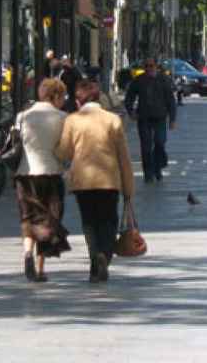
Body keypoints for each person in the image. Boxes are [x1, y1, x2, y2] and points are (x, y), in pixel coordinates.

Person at [56, 80, 135, 283]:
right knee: (109, 221)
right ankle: (104, 257)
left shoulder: (73, 120)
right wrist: (128, 187)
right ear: (98, 97)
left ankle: (94, 261)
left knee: (89, 222)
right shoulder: (113, 120)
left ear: (78, 100)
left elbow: (64, 152)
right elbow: (124, 158)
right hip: (109, 180)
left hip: (83, 181)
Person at [13, 78, 71, 283]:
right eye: (63, 96)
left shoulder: (22, 116)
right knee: (49, 221)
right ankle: (40, 267)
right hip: (51, 175)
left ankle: (27, 254)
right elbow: (65, 150)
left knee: (29, 219)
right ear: (55, 96)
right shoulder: (63, 117)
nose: (64, 100)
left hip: (25, 174)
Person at [124, 58, 177, 184]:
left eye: (151, 66)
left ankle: (157, 167)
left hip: (160, 117)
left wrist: (172, 119)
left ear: (156, 66)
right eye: (146, 66)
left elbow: (171, 100)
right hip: (144, 118)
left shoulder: (164, 79)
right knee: (146, 147)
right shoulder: (139, 80)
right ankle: (148, 173)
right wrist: (131, 111)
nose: (149, 68)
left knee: (160, 143)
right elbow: (129, 97)